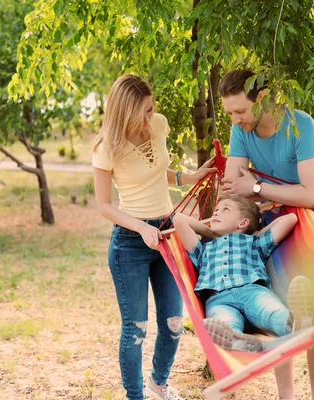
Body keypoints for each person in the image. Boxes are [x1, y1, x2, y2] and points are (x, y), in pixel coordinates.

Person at [92, 73, 216, 400]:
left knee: (174, 322)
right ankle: (136, 397)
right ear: (125, 112)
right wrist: (141, 226)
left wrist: (191, 176)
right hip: (131, 243)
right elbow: (104, 205)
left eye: (151, 109)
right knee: (135, 331)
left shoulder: (158, 125)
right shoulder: (106, 147)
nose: (150, 117)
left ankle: (158, 385)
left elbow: (159, 169)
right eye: (144, 112)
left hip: (167, 231)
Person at [219, 69, 314, 400]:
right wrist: (266, 194)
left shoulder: (302, 126)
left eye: (240, 111)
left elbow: (311, 195)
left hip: (311, 228)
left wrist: (256, 187)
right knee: (283, 308)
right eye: (230, 113)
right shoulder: (241, 131)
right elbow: (231, 192)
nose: (236, 120)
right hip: (272, 226)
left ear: (263, 99)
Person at [172, 194, 298, 351]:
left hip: (253, 292)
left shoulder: (254, 242)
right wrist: (212, 234)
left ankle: (295, 324)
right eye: (216, 210)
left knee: (271, 310)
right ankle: (238, 345)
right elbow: (179, 219)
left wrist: (258, 233)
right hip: (219, 299)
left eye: (225, 209)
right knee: (224, 323)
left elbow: (290, 219)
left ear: (243, 222)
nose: (216, 213)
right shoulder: (204, 249)